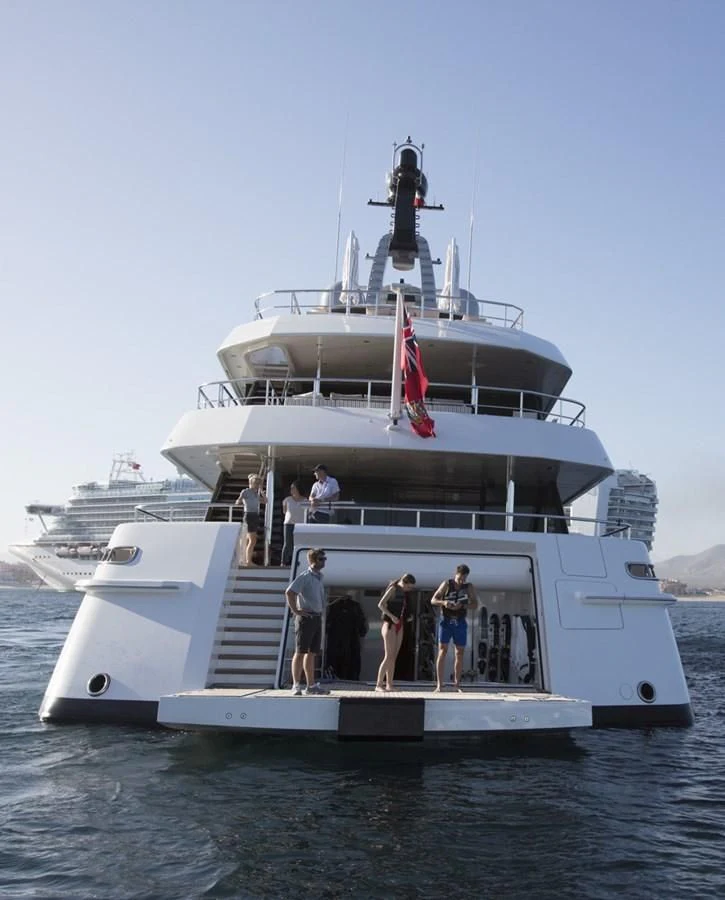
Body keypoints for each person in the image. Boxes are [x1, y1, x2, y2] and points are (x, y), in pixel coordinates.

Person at [285, 547, 330, 696]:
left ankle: (311, 685)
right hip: (306, 617)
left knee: (311, 653)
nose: (324, 562)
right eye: (321, 559)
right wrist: (296, 610)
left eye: (324, 559)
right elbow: (290, 592)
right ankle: (296, 685)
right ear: (312, 560)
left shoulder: (319, 577)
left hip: (316, 617)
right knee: (300, 651)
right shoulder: (305, 576)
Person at [431, 564, 477, 691]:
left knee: (459, 653)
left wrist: (462, 606)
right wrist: (444, 602)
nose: (461, 581)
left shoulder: (468, 587)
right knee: (442, 651)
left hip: (460, 622)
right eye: (459, 578)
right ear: (455, 574)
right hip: (446, 621)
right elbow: (433, 600)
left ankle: (457, 685)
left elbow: (475, 604)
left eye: (464, 579)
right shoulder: (446, 584)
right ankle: (439, 685)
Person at [375, 573, 417, 692]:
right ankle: (379, 684)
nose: (409, 589)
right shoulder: (393, 588)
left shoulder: (404, 593)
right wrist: (392, 616)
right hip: (389, 624)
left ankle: (389, 684)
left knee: (393, 657)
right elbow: (381, 604)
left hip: (399, 624)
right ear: (404, 582)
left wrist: (408, 617)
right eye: (408, 587)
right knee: (388, 656)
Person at [234, 474, 266, 567]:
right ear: (251, 483)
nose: (257, 485)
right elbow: (238, 501)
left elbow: (265, 501)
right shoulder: (246, 492)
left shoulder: (256, 494)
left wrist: (262, 492)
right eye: (256, 483)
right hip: (249, 515)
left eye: (258, 483)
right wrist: (241, 502)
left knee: (249, 540)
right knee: (253, 540)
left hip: (255, 516)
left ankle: (246, 560)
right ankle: (248, 561)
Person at [281, 481, 307, 566]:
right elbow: (284, 511)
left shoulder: (305, 500)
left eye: (293, 488)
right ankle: (283, 562)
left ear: (298, 489)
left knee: (298, 543)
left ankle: (296, 561)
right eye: (291, 488)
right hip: (288, 524)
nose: (291, 489)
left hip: (300, 525)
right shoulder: (287, 500)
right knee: (287, 543)